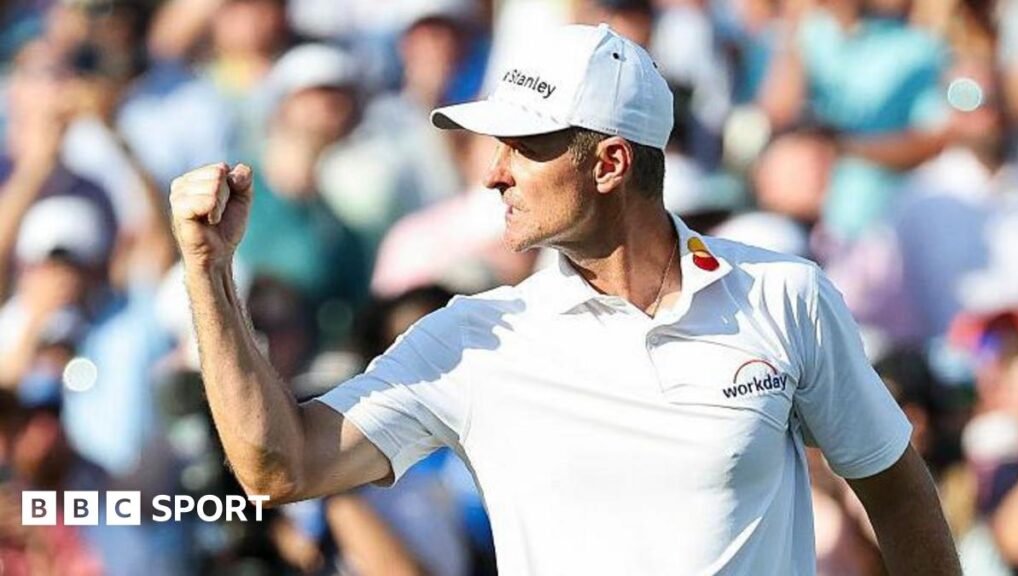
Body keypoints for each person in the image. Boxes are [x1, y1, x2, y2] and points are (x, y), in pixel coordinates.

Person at [170, 24, 961, 575]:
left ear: (610, 163)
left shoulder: (786, 296)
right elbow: (280, 468)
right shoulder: (470, 340)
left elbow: (895, 490)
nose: (494, 173)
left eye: (523, 146)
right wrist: (208, 270)